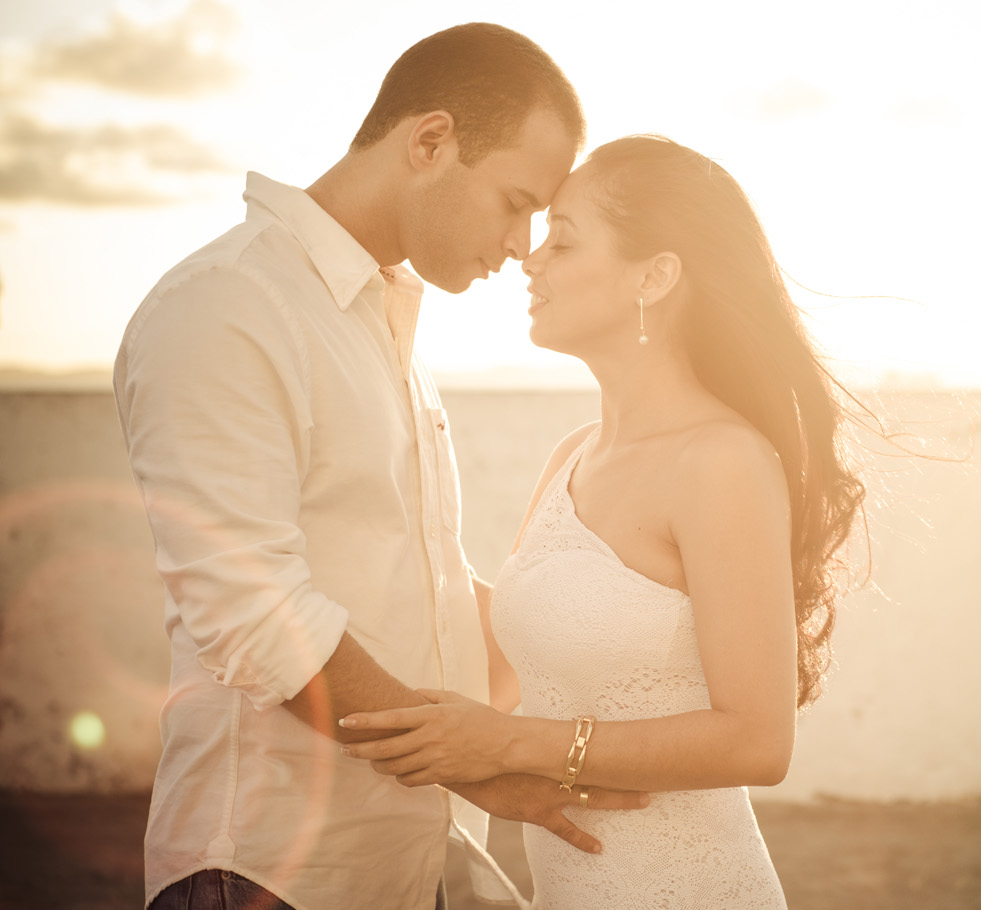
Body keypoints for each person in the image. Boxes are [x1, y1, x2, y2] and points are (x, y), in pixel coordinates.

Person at [114, 24, 645, 910]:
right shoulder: (227, 306)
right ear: (430, 141)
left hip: (411, 863)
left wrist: (627, 630)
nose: (522, 245)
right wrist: (468, 763)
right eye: (516, 200)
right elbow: (253, 612)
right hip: (267, 872)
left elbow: (422, 590)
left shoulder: (381, 325)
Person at [341, 135, 868, 908]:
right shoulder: (571, 457)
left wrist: (514, 744)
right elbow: (505, 667)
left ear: (654, 277)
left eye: (563, 239)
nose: (531, 258)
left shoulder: (720, 461)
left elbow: (759, 740)